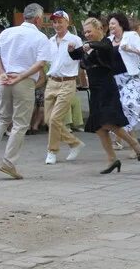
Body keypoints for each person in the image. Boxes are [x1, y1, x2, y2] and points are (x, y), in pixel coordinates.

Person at [0, 3, 52, 179]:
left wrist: (2, 72)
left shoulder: (7, 32)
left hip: (6, 80)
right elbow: (41, 63)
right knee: (20, 123)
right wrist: (21, 76)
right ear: (37, 19)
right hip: (24, 81)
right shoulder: (40, 37)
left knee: (3, 117)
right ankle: (9, 162)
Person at [68, 17, 140, 174]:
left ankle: (134, 143)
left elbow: (100, 46)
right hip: (95, 90)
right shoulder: (90, 47)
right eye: (85, 32)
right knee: (99, 127)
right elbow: (76, 56)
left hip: (107, 88)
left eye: (89, 31)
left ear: (99, 29)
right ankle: (112, 159)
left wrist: (87, 46)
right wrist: (71, 50)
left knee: (109, 122)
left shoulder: (106, 43)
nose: (87, 34)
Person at [108, 13, 140, 157]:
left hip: (132, 78)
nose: (111, 26)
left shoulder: (131, 36)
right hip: (116, 80)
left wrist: (130, 49)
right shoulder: (108, 40)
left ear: (121, 24)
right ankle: (134, 144)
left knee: (130, 105)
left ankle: (130, 141)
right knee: (122, 112)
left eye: (113, 23)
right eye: (109, 24)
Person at [43, 10, 86, 165]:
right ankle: (74, 143)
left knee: (55, 118)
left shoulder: (75, 40)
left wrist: (83, 82)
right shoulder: (50, 41)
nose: (57, 25)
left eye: (60, 21)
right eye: (54, 22)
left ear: (67, 22)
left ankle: (52, 151)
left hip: (68, 82)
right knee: (49, 120)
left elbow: (82, 60)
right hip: (52, 81)